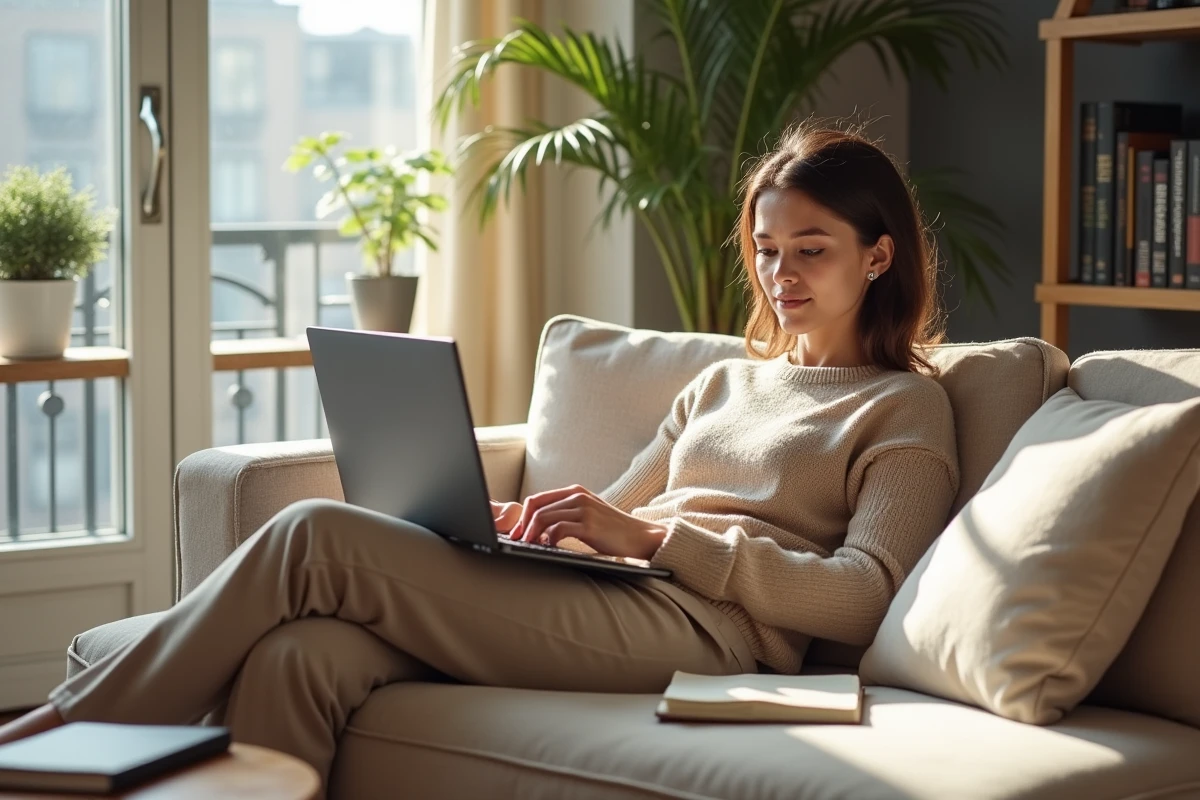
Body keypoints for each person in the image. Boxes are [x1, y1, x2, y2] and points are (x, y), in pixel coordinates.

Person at [0, 125, 959, 795]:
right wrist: (524, 530)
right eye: (765, 250)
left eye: (810, 250)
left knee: (314, 536)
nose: (780, 276)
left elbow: (863, 594)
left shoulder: (903, 407)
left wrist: (657, 541)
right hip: (622, 598)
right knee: (304, 656)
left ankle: (54, 732)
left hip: (713, 637)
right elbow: (606, 511)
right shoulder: (723, 381)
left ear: (877, 258)